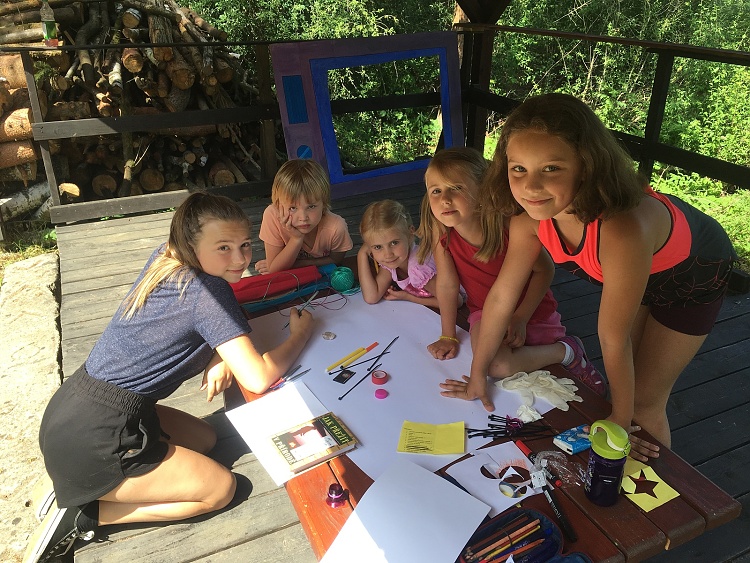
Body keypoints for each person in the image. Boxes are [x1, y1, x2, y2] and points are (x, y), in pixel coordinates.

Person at [25, 192, 314, 563]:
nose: (240, 259)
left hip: (74, 409)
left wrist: (220, 354)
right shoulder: (208, 291)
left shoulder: (166, 256)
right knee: (221, 489)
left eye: (245, 244)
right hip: (99, 435)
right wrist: (300, 335)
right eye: (223, 248)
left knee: (206, 439)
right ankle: (87, 513)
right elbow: (257, 378)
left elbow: (203, 320)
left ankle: (74, 481)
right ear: (191, 245)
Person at [449, 93, 736, 461]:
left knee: (643, 403)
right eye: (518, 168)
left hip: (693, 275)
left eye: (551, 168)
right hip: (640, 271)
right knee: (624, 389)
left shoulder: (621, 229)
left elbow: (612, 336)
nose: (530, 186)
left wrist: (619, 421)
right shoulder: (528, 222)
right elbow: (501, 298)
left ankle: (660, 490)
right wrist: (478, 374)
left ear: (586, 167)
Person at [418, 147, 605, 397]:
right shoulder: (442, 232)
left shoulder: (510, 227)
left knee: (514, 363)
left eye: (456, 188)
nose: (445, 199)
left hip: (532, 312)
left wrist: (520, 317)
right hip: (484, 312)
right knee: (496, 366)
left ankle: (567, 351)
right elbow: (447, 285)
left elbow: (544, 271)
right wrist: (448, 336)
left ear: (483, 191)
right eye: (436, 191)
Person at [255, 159, 353, 274]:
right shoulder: (272, 216)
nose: (303, 218)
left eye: (311, 206)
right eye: (293, 208)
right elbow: (274, 269)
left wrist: (296, 264)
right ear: (278, 204)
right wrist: (296, 239)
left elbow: (336, 260)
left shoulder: (336, 228)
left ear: (324, 203)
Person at [357, 199, 460, 308]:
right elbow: (371, 297)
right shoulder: (393, 262)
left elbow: (455, 302)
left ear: (410, 232)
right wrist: (362, 254)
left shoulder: (418, 267)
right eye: (378, 247)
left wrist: (408, 297)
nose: (387, 254)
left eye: (394, 243)